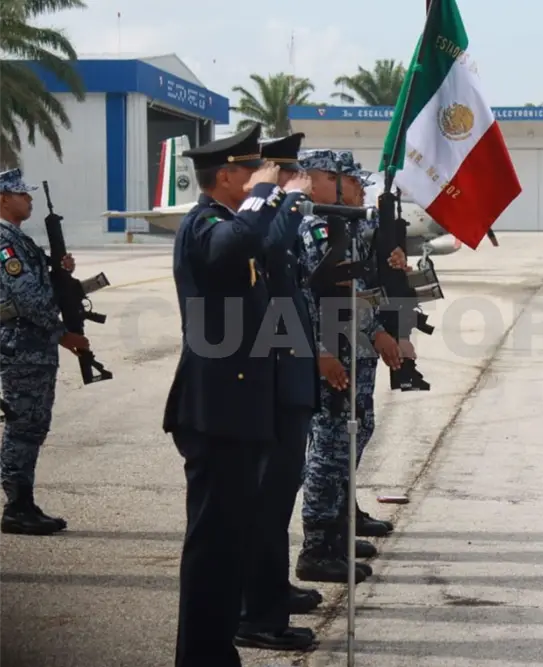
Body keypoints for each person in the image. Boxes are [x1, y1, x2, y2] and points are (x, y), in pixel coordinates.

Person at [162, 123, 289, 667]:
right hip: (217, 411)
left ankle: (213, 652)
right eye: (252, 169)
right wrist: (265, 195)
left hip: (237, 408)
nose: (261, 175)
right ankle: (202, 657)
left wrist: (281, 200)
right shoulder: (205, 224)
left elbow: (265, 243)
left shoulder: (234, 223)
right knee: (213, 547)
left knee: (229, 542)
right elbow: (232, 247)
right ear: (227, 175)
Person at [294, 149, 401, 584]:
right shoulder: (317, 226)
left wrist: (393, 257)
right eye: (350, 181)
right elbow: (341, 289)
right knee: (330, 444)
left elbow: (368, 271)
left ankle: (337, 527)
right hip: (331, 347)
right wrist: (376, 330)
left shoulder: (344, 222)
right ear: (319, 179)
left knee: (355, 431)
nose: (359, 188)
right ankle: (317, 545)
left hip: (350, 346)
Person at [235, 132, 319, 652]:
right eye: (288, 173)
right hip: (270, 384)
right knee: (264, 504)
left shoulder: (273, 221)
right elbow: (263, 246)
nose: (297, 182)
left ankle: (271, 593)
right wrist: (284, 202)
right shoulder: (257, 223)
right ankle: (256, 613)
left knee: (277, 502)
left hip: (288, 381)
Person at [0, 168, 86, 535]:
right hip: (22, 347)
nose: (29, 199)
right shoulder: (5, 243)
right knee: (23, 425)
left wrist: (59, 273)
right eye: (22, 194)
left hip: (32, 347)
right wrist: (62, 332)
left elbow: (38, 286)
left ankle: (23, 501)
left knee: (33, 424)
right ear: (3, 198)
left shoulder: (19, 239)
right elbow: (27, 297)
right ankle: (17, 506)